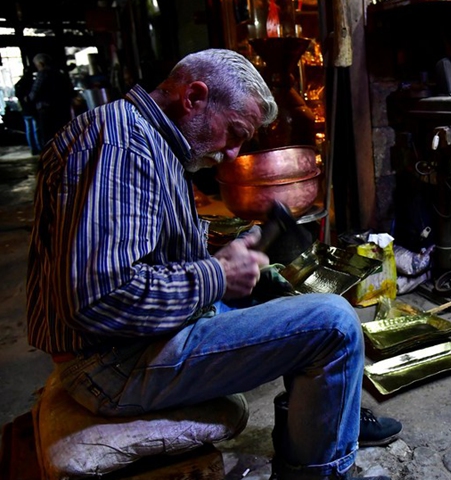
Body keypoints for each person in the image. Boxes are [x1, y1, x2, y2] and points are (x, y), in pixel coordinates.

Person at [27, 48, 397, 480]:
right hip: (111, 364)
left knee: (281, 295)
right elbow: (103, 297)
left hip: (131, 342)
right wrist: (217, 275)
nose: (231, 151)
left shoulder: (144, 136)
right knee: (332, 324)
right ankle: (321, 471)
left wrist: (229, 259)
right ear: (194, 97)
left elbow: (146, 253)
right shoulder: (122, 146)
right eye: (235, 132)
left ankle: (323, 418)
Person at [27, 53, 75, 148]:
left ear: (41, 63)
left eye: (37, 65)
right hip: (62, 108)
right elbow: (70, 90)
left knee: (48, 137)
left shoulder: (42, 74)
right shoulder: (59, 73)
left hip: (47, 110)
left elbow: (35, 91)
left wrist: (28, 99)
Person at [14, 66, 41, 155]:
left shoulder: (19, 84)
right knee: (36, 129)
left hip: (24, 109)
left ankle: (33, 149)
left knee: (29, 130)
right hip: (33, 109)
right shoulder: (32, 83)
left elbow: (18, 95)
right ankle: (39, 148)